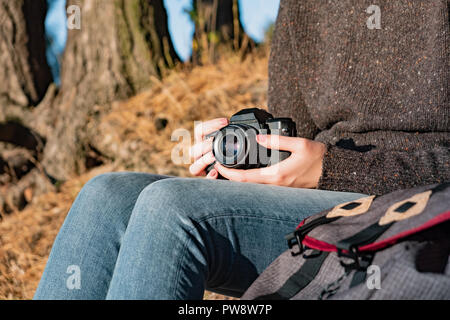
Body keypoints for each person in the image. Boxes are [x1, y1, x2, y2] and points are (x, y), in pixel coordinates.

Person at [34, 0, 449, 299]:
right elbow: (294, 130)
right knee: (108, 196)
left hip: (420, 208)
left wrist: (335, 169)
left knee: (172, 208)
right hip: (326, 207)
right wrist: (244, 152)